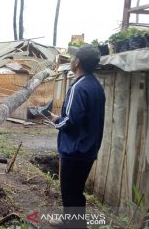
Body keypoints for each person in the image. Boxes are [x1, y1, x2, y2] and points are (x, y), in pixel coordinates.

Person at [49, 44, 106, 228]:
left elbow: (72, 121)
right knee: (76, 191)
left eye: (73, 58)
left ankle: (74, 225)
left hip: (74, 150)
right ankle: (73, 222)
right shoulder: (96, 86)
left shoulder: (78, 87)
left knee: (69, 192)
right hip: (88, 149)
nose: (71, 60)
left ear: (77, 62)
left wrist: (58, 121)